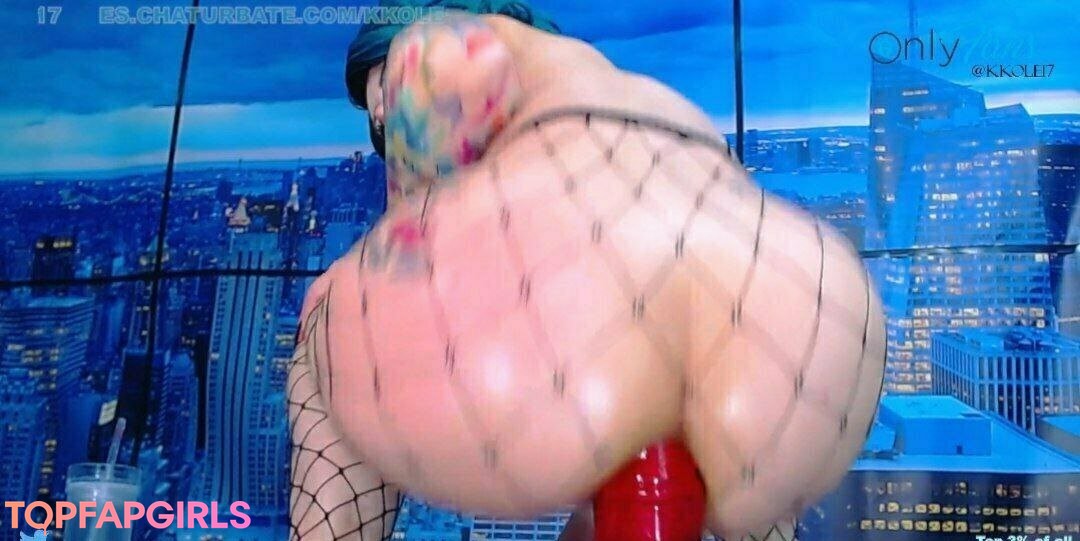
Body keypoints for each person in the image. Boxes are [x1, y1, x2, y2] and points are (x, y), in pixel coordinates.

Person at [286, 2, 886, 540]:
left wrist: (342, 300)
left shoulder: (434, 46)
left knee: (338, 342)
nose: (378, 112)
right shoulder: (621, 95)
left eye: (376, 94)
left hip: (596, 316)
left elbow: (408, 245)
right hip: (786, 307)